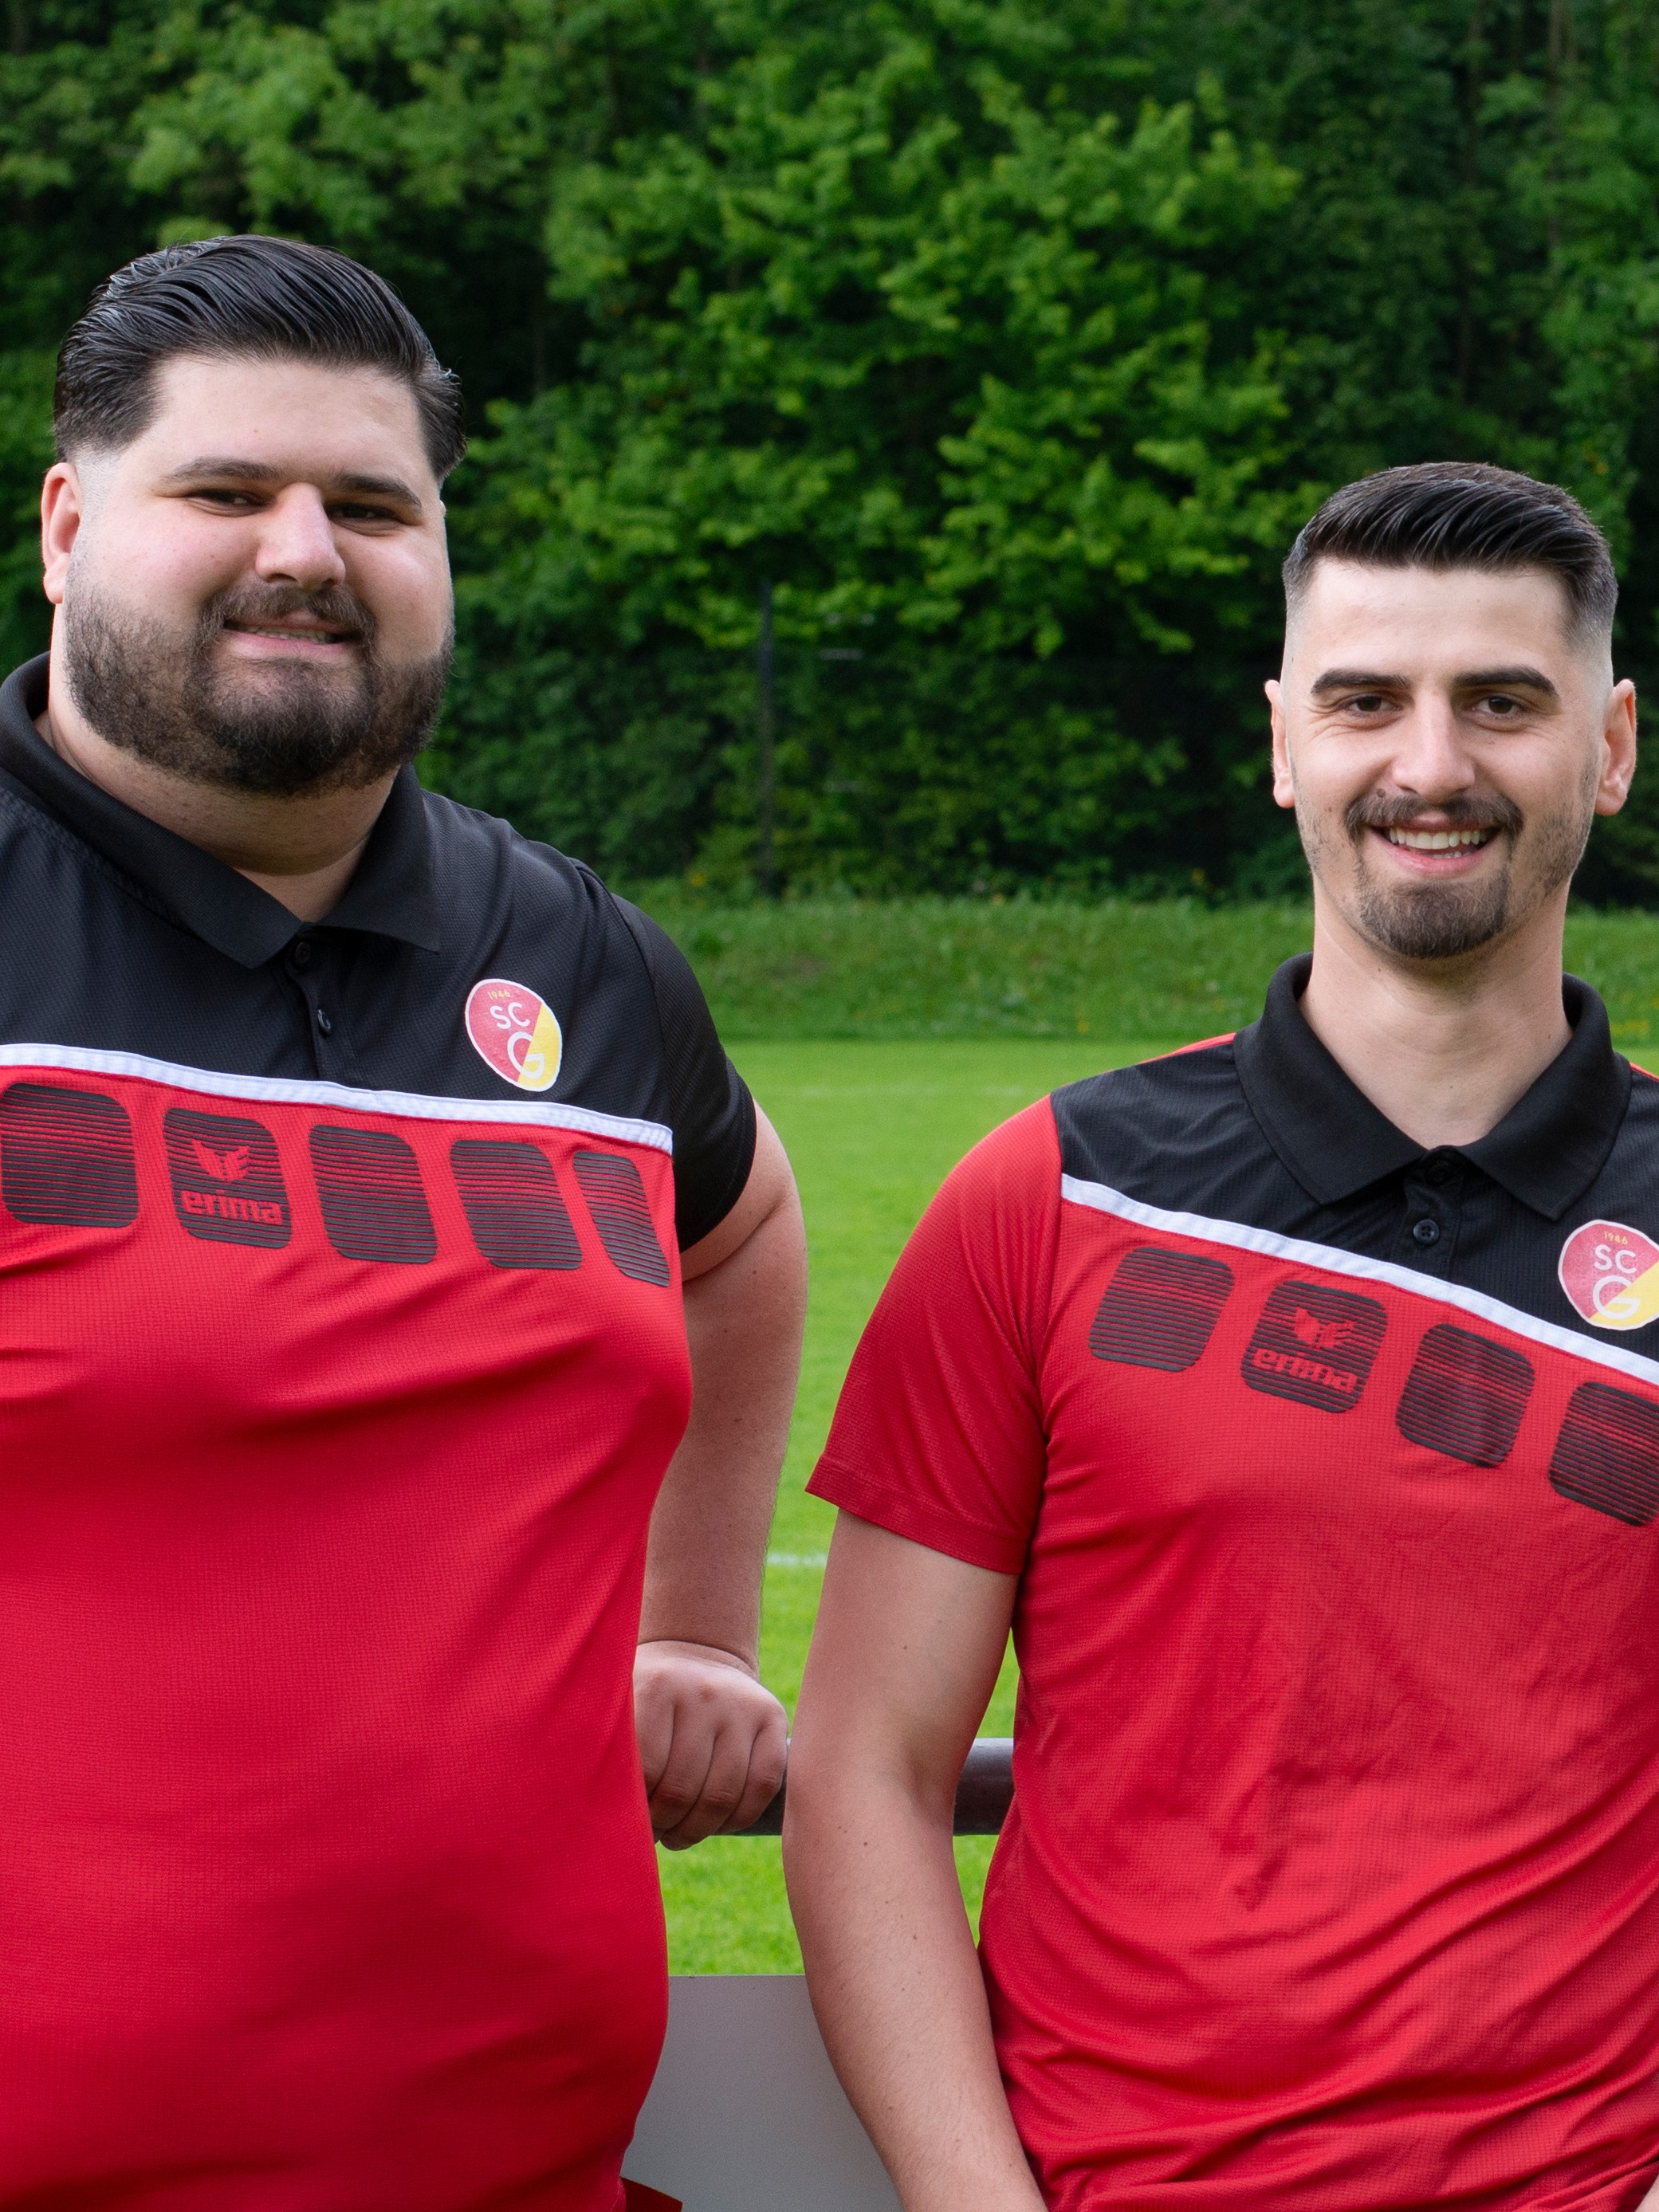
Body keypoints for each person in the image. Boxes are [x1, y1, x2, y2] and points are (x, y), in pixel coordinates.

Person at [0, 234, 804, 2208]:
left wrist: (692, 1626)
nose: (306, 552)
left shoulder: (579, 958)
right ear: (69, 526)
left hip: (521, 2164)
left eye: (372, 505)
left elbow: (741, 1230)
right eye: (226, 490)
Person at [784, 462, 1659, 2211]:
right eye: (1364, 700)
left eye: (1502, 702)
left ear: (1611, 746)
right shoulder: (1050, 1196)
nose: (1430, 765)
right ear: (1280, 742)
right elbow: (866, 1769)